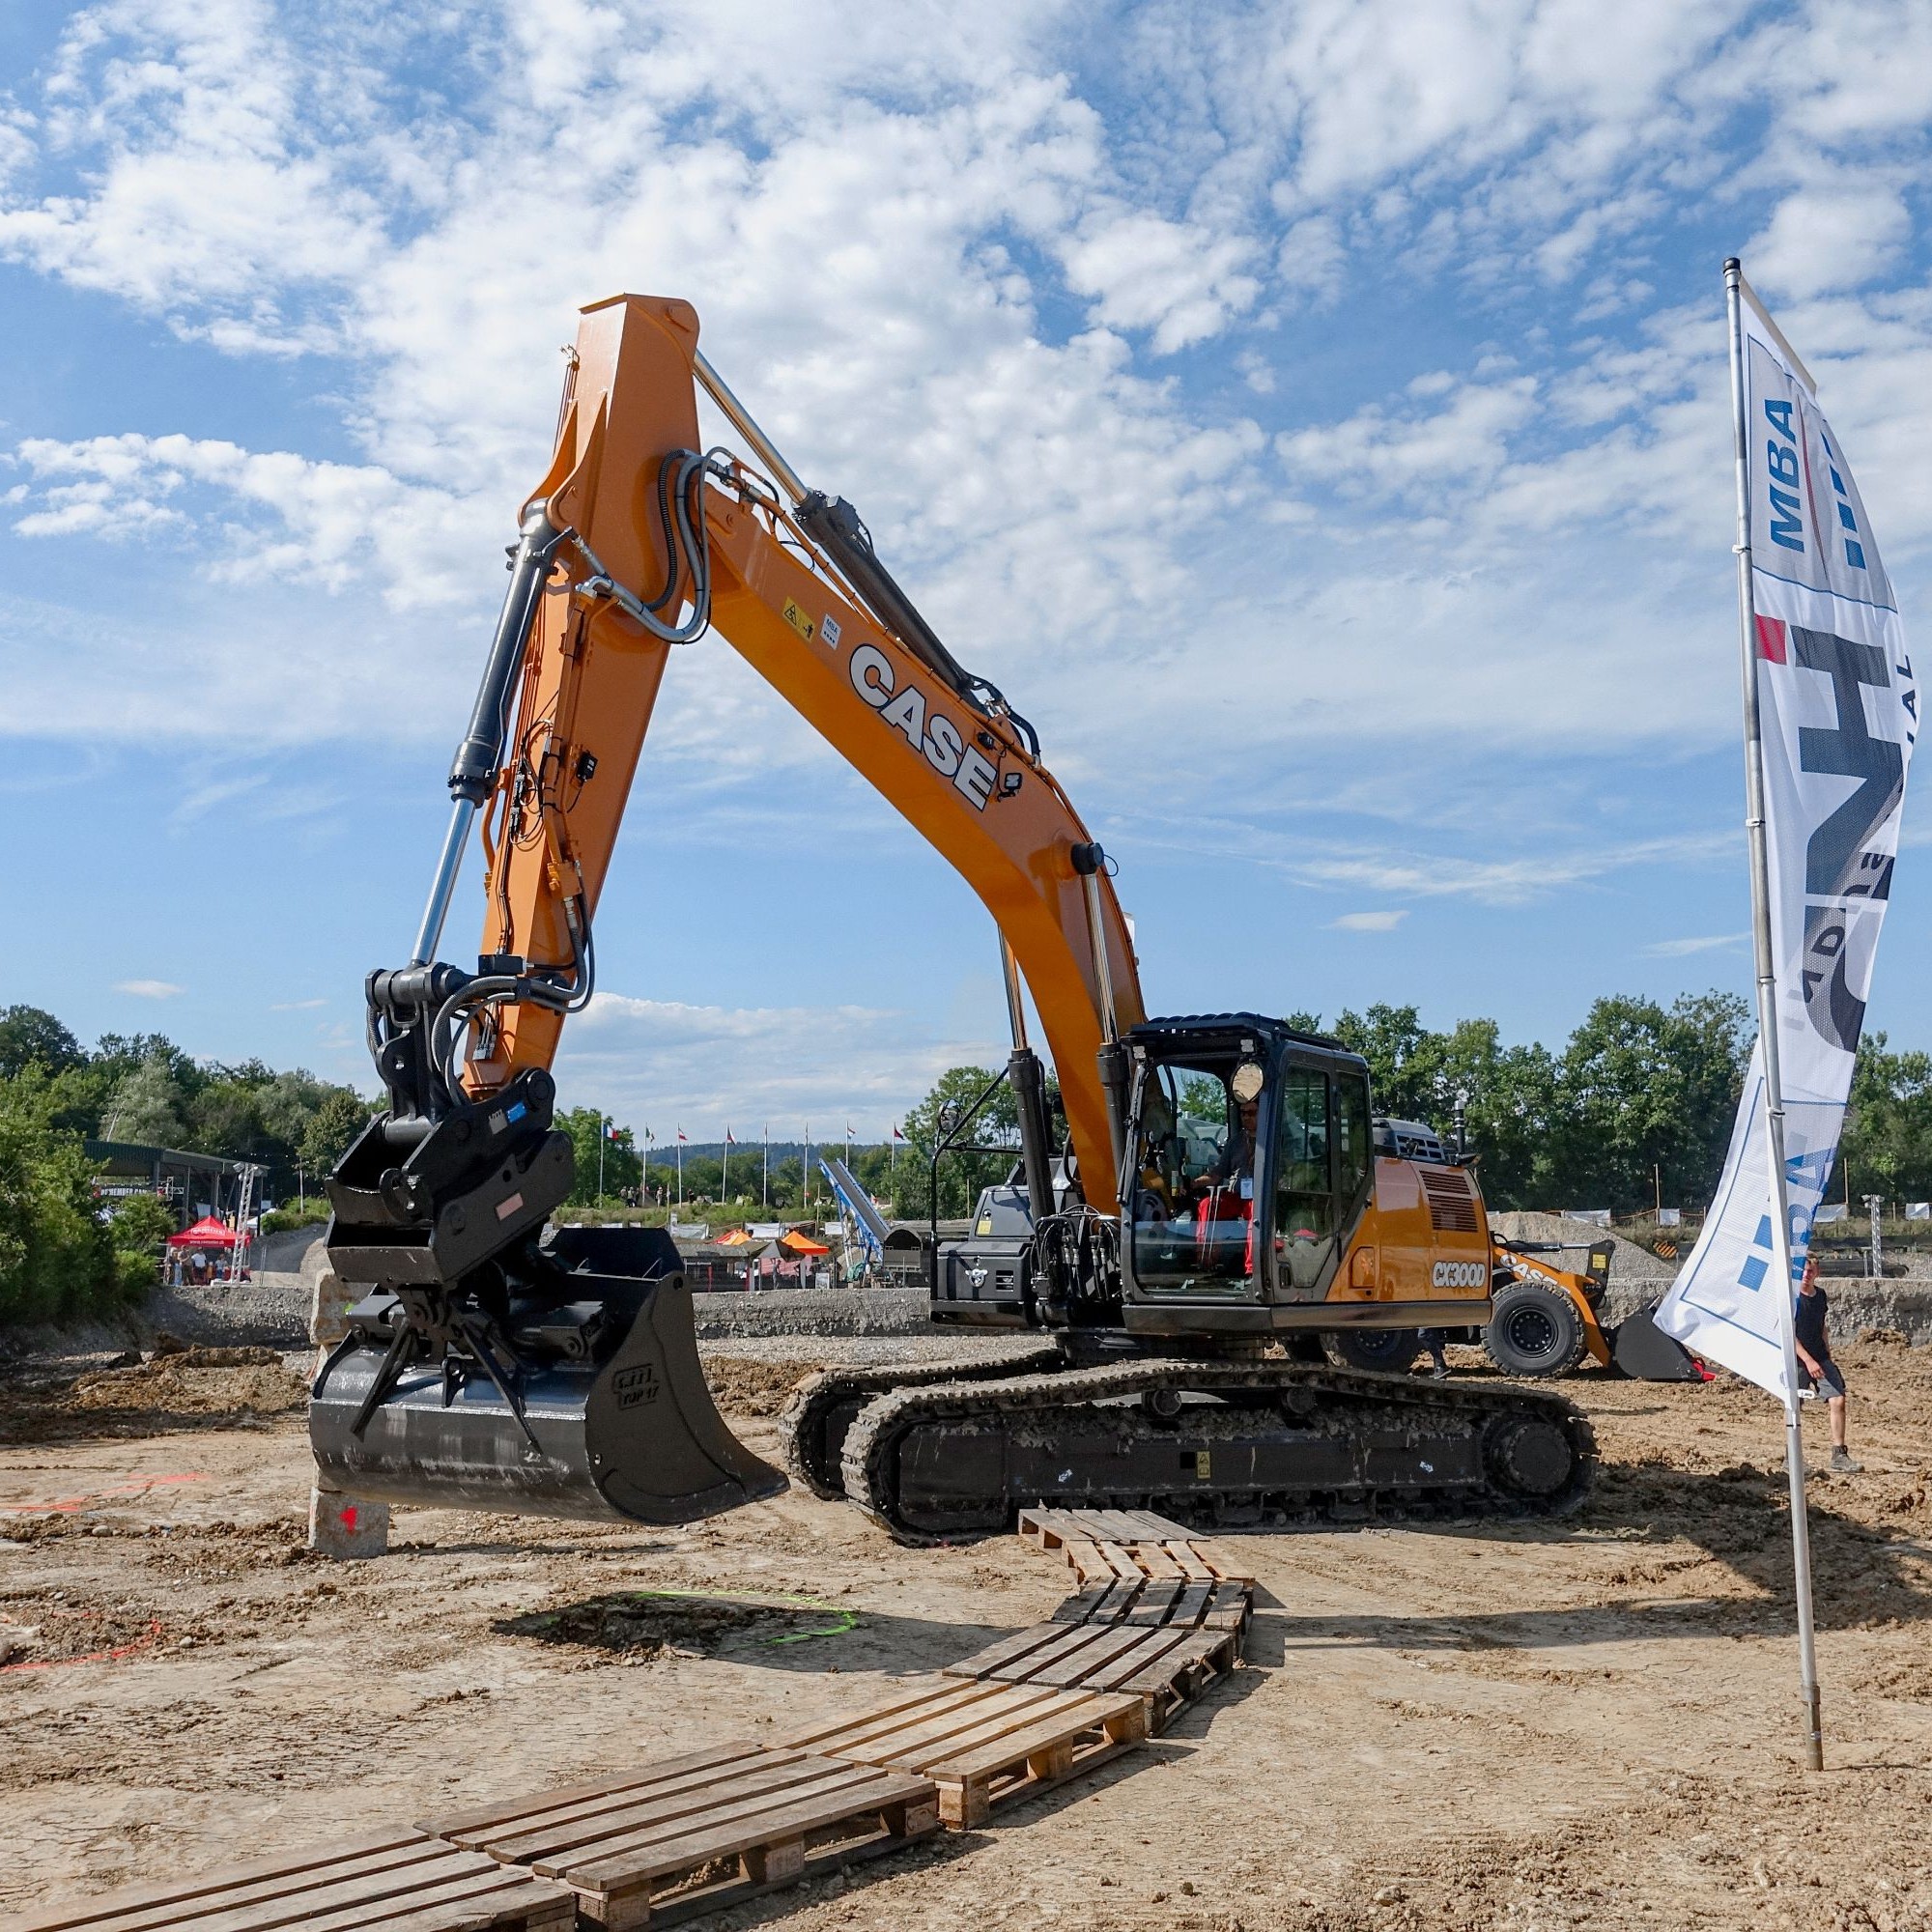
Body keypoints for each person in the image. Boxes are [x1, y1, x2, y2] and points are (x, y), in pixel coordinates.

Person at [1794, 1254, 1860, 1474]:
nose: (1806, 1275)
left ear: (1817, 1273)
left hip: (1820, 1359)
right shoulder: (1792, 1298)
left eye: (1810, 1271)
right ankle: (1791, 1457)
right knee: (1794, 1408)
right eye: (1803, 1271)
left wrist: (1827, 1353)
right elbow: (1789, 1335)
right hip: (1798, 1361)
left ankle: (1839, 1455)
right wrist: (1808, 1360)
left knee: (1838, 1400)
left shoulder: (1820, 1296)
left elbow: (1822, 1326)